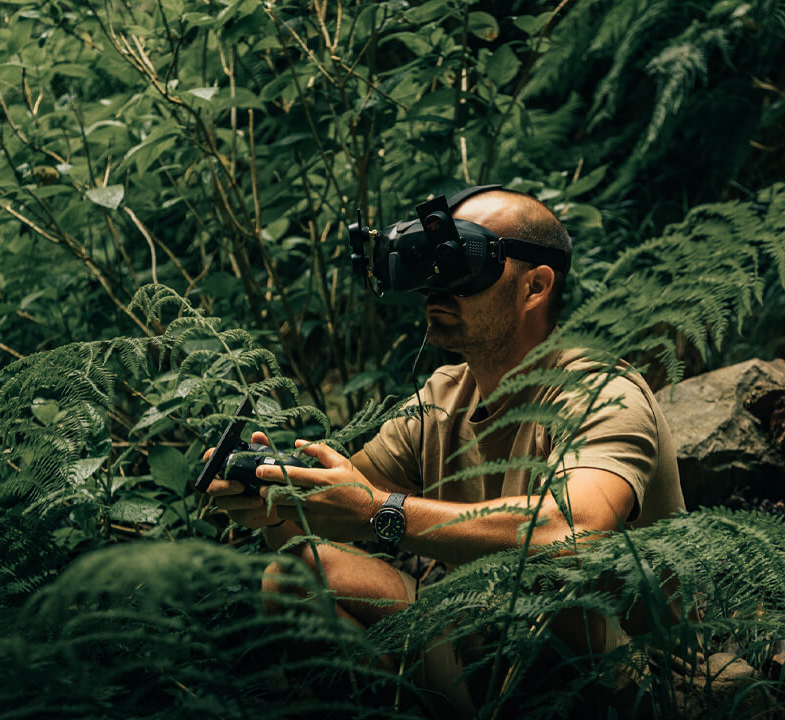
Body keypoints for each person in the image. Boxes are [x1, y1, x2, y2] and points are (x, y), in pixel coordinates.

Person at [204, 187, 685, 712]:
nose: (437, 284)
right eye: (432, 261)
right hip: (479, 649)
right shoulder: (442, 398)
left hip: (605, 673)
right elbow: (329, 516)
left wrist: (381, 512)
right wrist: (273, 501)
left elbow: (574, 532)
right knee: (294, 575)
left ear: (535, 287)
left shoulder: (601, 393)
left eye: (463, 261)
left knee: (558, 589)